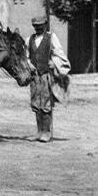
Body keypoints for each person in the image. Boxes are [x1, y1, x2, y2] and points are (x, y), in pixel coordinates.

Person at [27, 14, 70, 143]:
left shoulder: (51, 38)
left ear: (45, 25)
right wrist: (30, 65)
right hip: (35, 76)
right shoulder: (29, 39)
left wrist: (53, 62)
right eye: (36, 26)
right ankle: (39, 131)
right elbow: (27, 56)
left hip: (47, 74)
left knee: (46, 103)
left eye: (40, 26)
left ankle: (47, 132)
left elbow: (59, 53)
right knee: (36, 102)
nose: (38, 28)